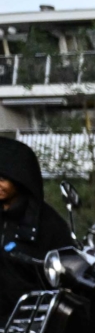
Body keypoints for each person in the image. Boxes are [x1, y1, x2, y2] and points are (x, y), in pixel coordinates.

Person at [0, 136, 71, 322]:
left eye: (3, 178)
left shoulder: (46, 223)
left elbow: (64, 274)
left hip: (29, 323)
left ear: (19, 178)